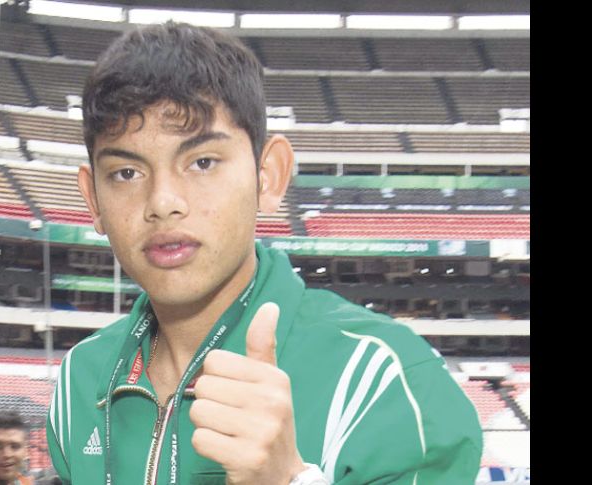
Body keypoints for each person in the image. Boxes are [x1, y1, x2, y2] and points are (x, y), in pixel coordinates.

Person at [47, 21, 483, 485]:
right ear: (93, 199)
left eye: (202, 162)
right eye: (126, 173)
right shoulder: (80, 380)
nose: (163, 202)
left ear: (268, 176)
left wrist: (289, 479)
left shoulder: (388, 379)